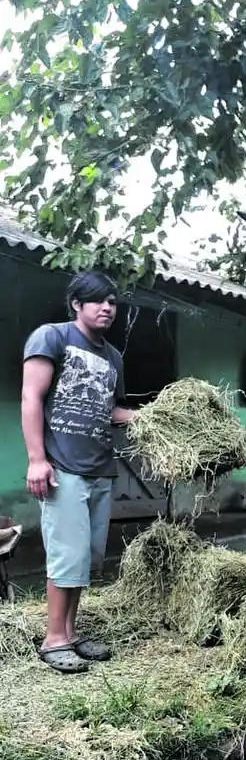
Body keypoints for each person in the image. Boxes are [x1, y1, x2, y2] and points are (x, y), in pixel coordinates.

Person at [21, 271, 135, 674]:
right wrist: (37, 459)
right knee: (66, 555)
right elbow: (31, 397)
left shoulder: (113, 357)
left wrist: (149, 417)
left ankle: (70, 633)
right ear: (77, 304)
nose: (107, 308)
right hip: (62, 465)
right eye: (98, 301)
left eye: (112, 302)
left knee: (86, 559)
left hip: (100, 468)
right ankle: (53, 639)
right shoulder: (51, 337)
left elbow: (113, 411)